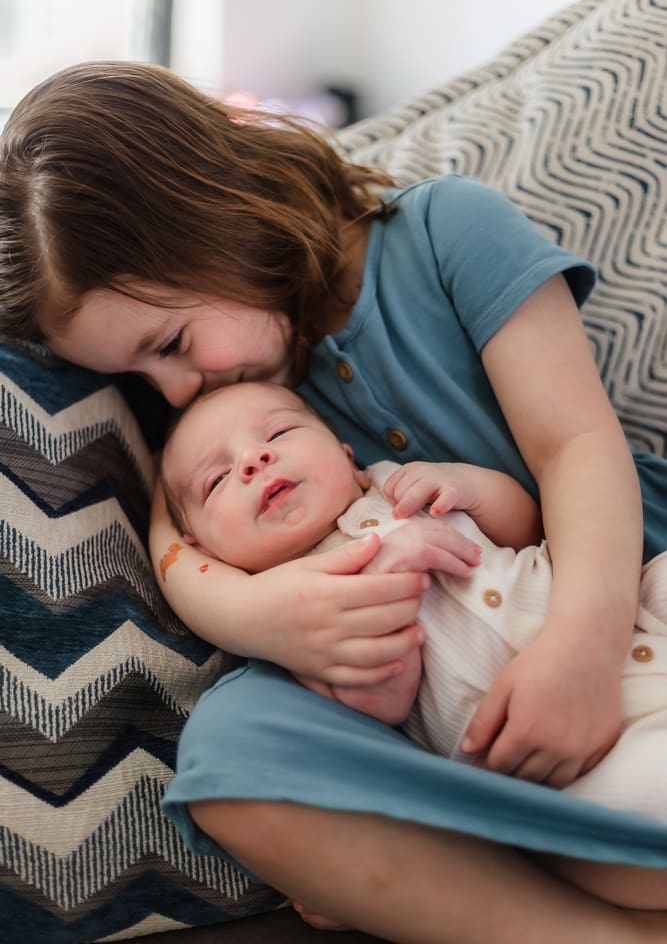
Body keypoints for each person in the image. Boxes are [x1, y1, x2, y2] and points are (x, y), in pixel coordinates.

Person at [2, 61, 667, 941]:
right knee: (232, 761)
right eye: (135, 375)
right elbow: (175, 526)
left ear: (213, 208)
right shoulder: (217, 409)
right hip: (452, 717)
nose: (171, 391)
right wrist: (251, 613)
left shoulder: (443, 230)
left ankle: (446, 859)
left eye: (169, 342)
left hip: (620, 592)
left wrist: (582, 650)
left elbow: (575, 446)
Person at [160, 379, 667, 831]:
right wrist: (391, 583)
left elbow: (527, 530)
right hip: (547, 750)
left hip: (622, 613)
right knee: (645, 788)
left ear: (347, 456)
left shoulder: (397, 483)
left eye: (278, 435)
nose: (253, 459)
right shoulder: (293, 616)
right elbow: (383, 705)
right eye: (217, 480)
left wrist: (470, 487)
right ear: (201, 549)